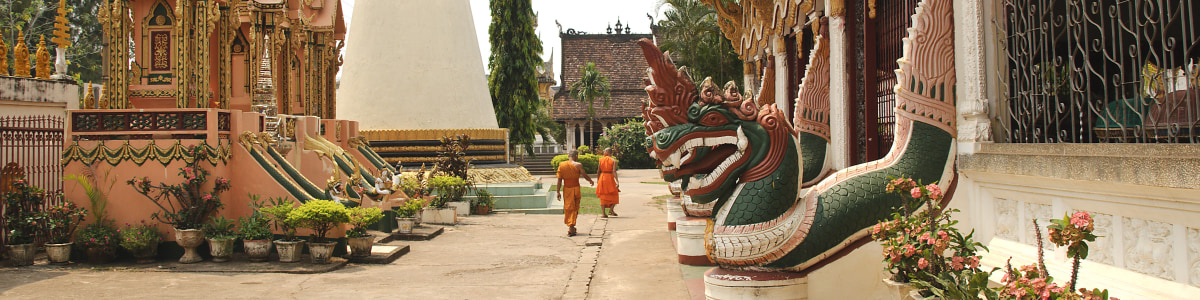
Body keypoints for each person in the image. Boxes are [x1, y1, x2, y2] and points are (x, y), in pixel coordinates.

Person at [557, 150, 593, 236]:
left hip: (567, 189)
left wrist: (558, 191)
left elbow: (559, 180)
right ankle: (571, 227)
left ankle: (571, 226)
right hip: (576, 188)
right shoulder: (578, 165)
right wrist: (590, 180)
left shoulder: (562, 165)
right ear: (576, 156)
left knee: (569, 207)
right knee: (575, 207)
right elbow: (584, 175)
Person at [596, 148, 620, 217]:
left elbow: (598, 171)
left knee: (603, 195)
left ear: (607, 152)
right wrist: (617, 181)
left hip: (602, 177)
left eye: (604, 151)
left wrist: (598, 180)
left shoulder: (601, 160)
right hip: (610, 178)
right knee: (614, 193)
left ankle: (604, 213)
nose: (603, 152)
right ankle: (611, 209)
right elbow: (614, 171)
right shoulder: (613, 160)